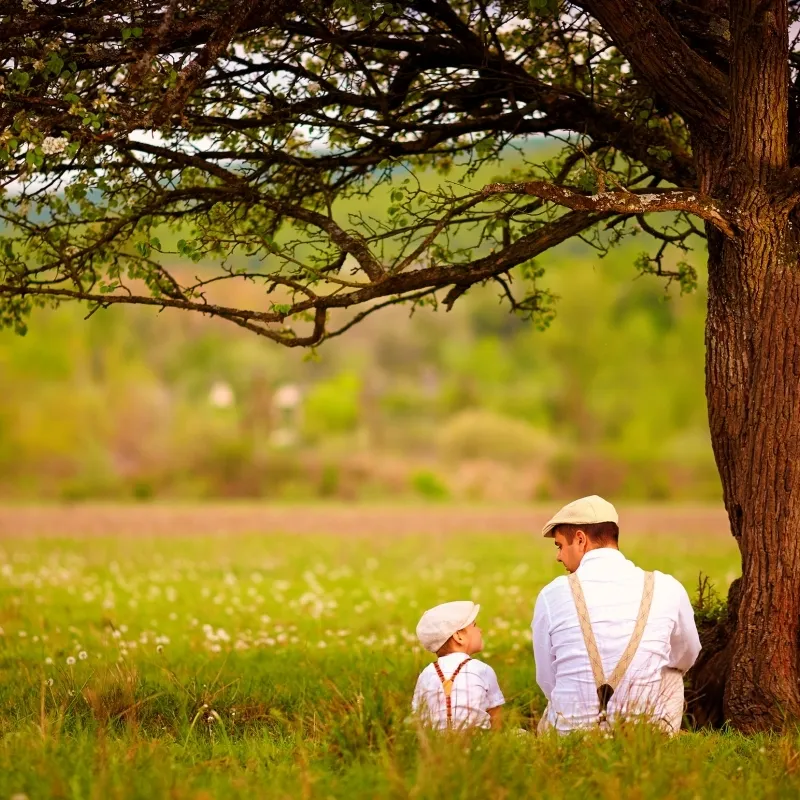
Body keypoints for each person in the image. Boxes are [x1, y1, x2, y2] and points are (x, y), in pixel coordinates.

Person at [532, 495, 701, 734]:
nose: (558, 556)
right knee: (672, 672)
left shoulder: (551, 594)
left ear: (580, 539)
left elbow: (547, 678)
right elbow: (688, 655)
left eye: (560, 545)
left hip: (570, 736)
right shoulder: (667, 587)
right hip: (641, 734)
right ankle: (659, 739)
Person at [412, 600, 505, 731]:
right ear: (458, 637)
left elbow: (420, 716)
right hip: (478, 740)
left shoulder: (426, 674)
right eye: (474, 625)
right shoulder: (482, 670)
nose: (480, 630)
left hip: (437, 743)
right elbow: (495, 716)